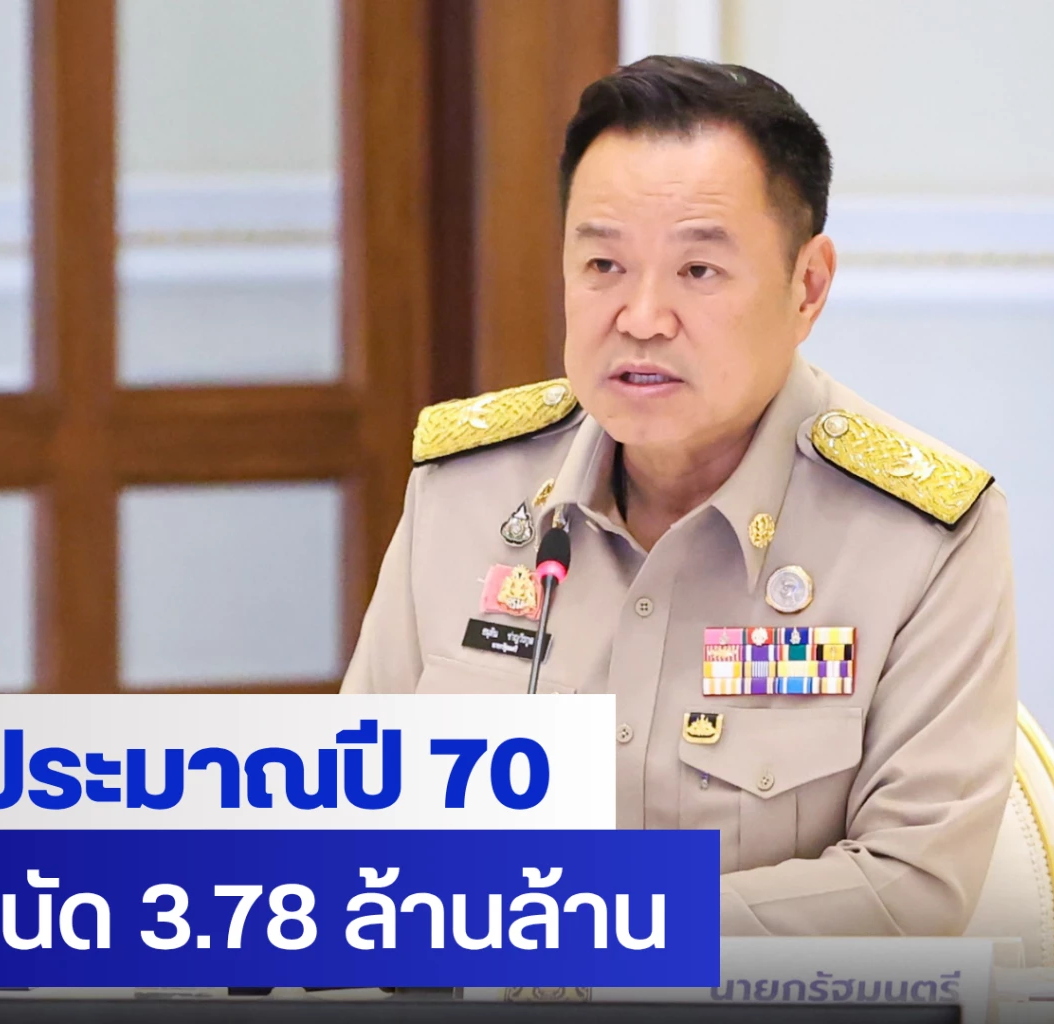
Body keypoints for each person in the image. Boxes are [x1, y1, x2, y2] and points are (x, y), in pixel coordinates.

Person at [341, 55, 1017, 936]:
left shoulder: (920, 536)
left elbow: (911, 890)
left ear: (807, 287)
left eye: (698, 271)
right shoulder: (465, 491)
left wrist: (591, 933)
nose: (642, 317)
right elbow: (356, 820)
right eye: (603, 264)